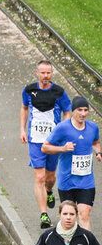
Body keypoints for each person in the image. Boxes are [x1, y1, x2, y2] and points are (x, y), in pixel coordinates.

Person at [21, 60, 72, 228]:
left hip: (53, 142)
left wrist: (63, 130)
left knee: (50, 177)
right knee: (39, 177)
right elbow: (24, 108)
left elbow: (67, 112)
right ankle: (44, 215)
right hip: (35, 140)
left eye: (48, 73)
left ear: (52, 73)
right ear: (37, 73)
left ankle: (49, 191)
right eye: (42, 73)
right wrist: (22, 129)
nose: (45, 76)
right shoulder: (29, 90)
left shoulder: (59, 92)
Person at [43, 96, 101, 230]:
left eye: (86, 110)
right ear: (73, 111)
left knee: (84, 214)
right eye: (79, 110)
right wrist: (62, 148)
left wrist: (98, 152)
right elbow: (45, 147)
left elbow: (96, 142)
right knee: (69, 218)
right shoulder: (62, 128)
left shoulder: (93, 127)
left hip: (86, 181)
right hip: (67, 181)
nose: (83, 113)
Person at [32, 200, 102, 245]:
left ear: (76, 215)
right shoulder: (48, 235)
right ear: (59, 215)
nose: (68, 217)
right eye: (65, 214)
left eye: (72, 214)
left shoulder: (86, 236)